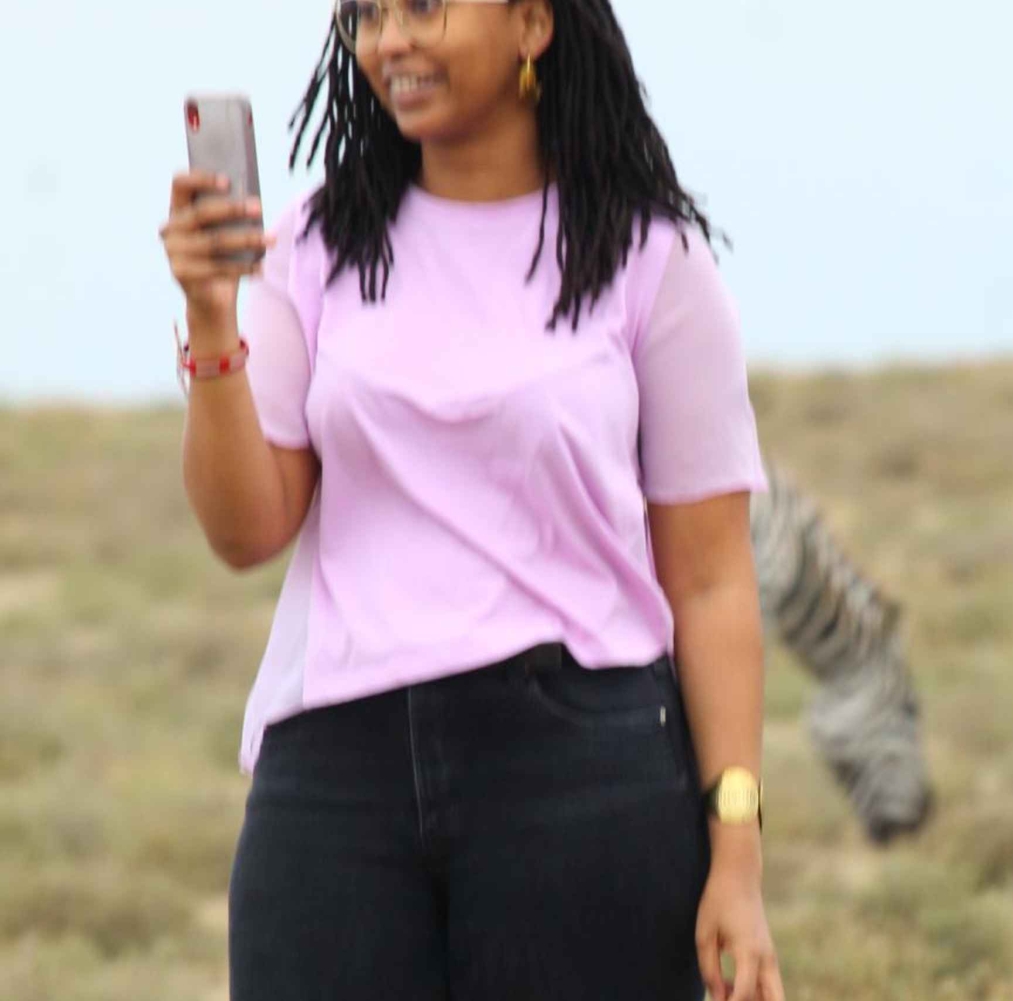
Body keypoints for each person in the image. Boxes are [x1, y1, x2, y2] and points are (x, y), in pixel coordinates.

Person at [158, 1, 783, 998]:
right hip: (335, 774)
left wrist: (736, 857)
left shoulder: (648, 257)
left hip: (582, 767)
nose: (388, 41)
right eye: (366, 15)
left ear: (532, 24)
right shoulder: (314, 244)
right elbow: (245, 531)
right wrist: (209, 319)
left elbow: (711, 583)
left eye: (423, 7)